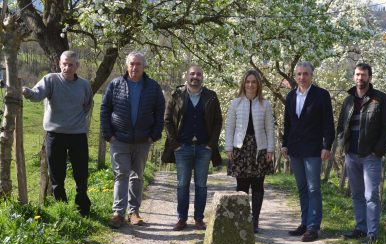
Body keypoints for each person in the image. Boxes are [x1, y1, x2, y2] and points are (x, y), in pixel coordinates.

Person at [22, 50, 92, 217]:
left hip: (78, 135)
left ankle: (82, 206)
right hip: (55, 134)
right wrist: (26, 92)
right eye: (64, 64)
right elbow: (37, 95)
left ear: (77, 66)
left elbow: (87, 105)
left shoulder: (84, 85)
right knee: (56, 174)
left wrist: (74, 121)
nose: (67, 67)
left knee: (81, 173)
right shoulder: (51, 80)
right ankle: (62, 208)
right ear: (59, 64)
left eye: (70, 65)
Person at [100, 51, 165, 229]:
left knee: (137, 176)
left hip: (143, 140)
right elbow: (105, 109)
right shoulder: (116, 85)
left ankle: (134, 212)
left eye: (138, 64)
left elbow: (160, 112)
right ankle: (118, 213)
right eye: (131, 64)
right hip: (119, 139)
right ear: (126, 66)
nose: (134, 67)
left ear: (144, 67)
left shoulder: (153, 87)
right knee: (121, 174)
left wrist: (154, 135)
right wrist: (109, 135)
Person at [336, 63, 386, 244]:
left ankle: (372, 234)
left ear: (370, 77)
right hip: (351, 154)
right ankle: (361, 228)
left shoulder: (380, 99)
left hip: (370, 156)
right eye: (357, 74)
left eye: (363, 75)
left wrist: (377, 151)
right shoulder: (348, 100)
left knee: (371, 196)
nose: (360, 78)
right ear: (353, 77)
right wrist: (342, 147)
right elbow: (341, 126)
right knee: (357, 194)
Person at [162, 65, 222, 231]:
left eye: (199, 74)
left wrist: (211, 144)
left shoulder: (211, 96)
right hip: (183, 148)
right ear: (187, 76)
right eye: (192, 74)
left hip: (204, 148)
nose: (195, 77)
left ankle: (198, 219)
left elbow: (218, 121)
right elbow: (167, 120)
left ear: (202, 77)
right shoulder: (176, 95)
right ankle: (181, 219)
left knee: (201, 185)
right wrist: (175, 144)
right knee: (182, 184)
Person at [282, 61, 335, 242]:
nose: (302, 77)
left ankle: (313, 227)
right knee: (302, 188)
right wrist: (284, 144)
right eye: (299, 74)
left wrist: (327, 146)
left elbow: (328, 123)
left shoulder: (321, 95)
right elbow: (287, 123)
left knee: (313, 188)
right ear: (295, 76)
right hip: (295, 149)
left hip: (313, 149)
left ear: (311, 75)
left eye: (305, 74)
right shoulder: (290, 96)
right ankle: (304, 223)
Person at [225, 70, 275, 233]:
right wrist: (229, 147)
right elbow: (230, 127)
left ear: (258, 84)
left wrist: (270, 149)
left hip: (260, 148)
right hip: (240, 148)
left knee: (258, 185)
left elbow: (269, 128)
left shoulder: (265, 104)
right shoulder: (235, 103)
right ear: (243, 83)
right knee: (242, 186)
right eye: (248, 82)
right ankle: (242, 219)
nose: (250, 85)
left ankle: (255, 222)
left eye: (254, 82)